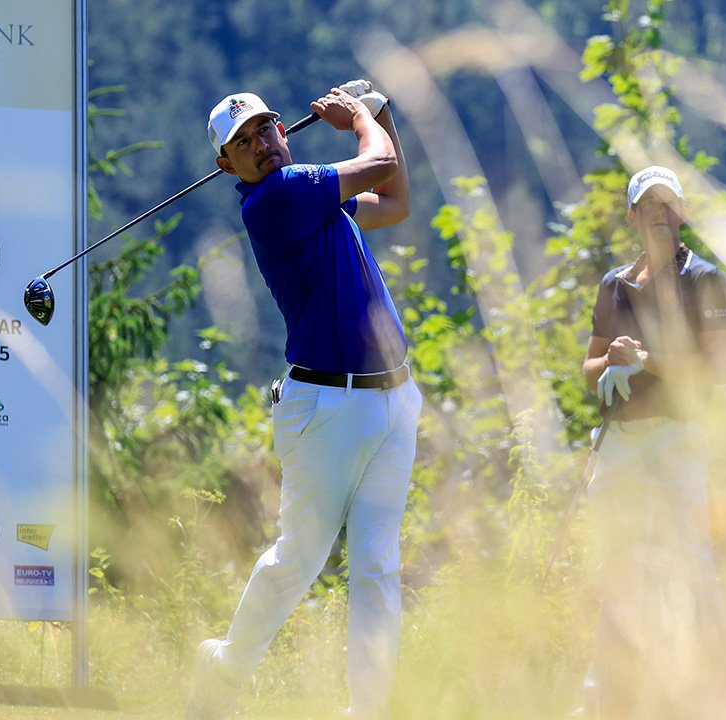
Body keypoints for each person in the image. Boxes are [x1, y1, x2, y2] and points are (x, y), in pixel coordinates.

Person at [186, 81, 421, 720]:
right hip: (326, 406)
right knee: (301, 558)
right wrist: (357, 120)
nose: (260, 144)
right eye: (243, 142)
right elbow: (378, 165)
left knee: (377, 566)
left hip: (394, 398)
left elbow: (395, 201)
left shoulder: (320, 200)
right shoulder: (277, 199)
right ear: (225, 165)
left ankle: (368, 710)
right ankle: (227, 668)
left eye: (265, 129)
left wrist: (382, 116)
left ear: (283, 130)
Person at [579, 165, 726, 717]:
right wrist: (613, 360)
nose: (660, 212)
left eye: (668, 203)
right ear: (632, 215)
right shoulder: (613, 283)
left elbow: (716, 369)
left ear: (683, 212)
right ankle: (606, 694)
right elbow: (588, 366)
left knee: (691, 556)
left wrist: (648, 361)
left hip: (677, 435)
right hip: (621, 438)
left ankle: (720, 685)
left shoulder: (706, 279)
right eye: (649, 204)